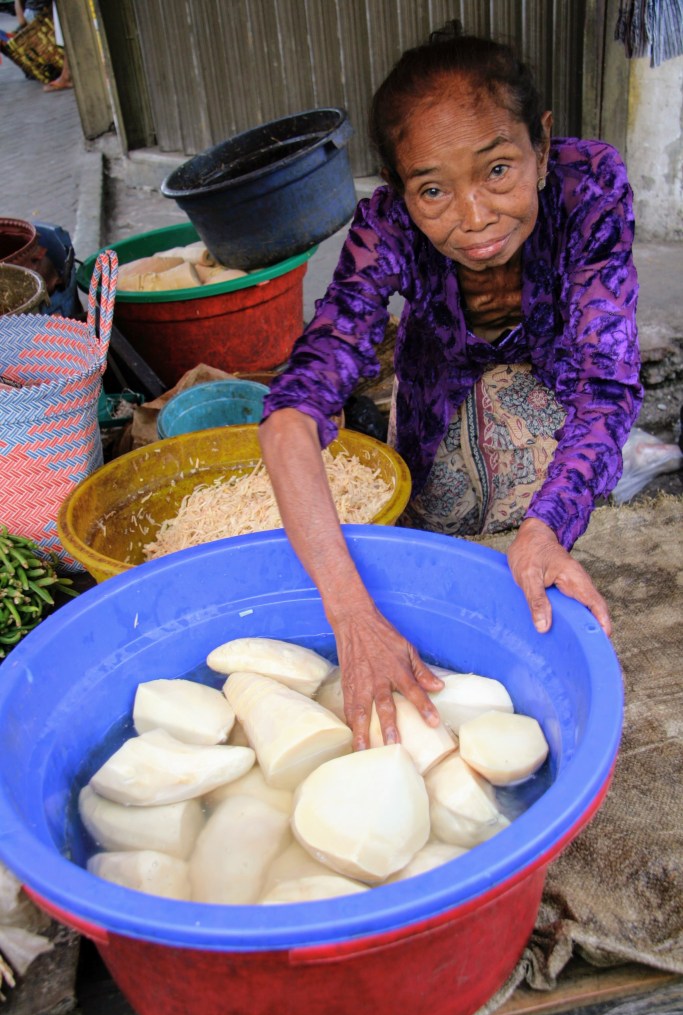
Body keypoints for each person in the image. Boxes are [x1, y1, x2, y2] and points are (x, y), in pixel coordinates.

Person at [258, 22, 643, 752]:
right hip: (439, 376)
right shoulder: (386, 227)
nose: (474, 219)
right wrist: (352, 617)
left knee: (533, 531)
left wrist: (547, 528)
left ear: (541, 144)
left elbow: (606, 382)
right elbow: (290, 416)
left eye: (497, 170)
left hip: (554, 370)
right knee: (432, 529)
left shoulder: (588, 187)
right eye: (432, 189)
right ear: (399, 189)